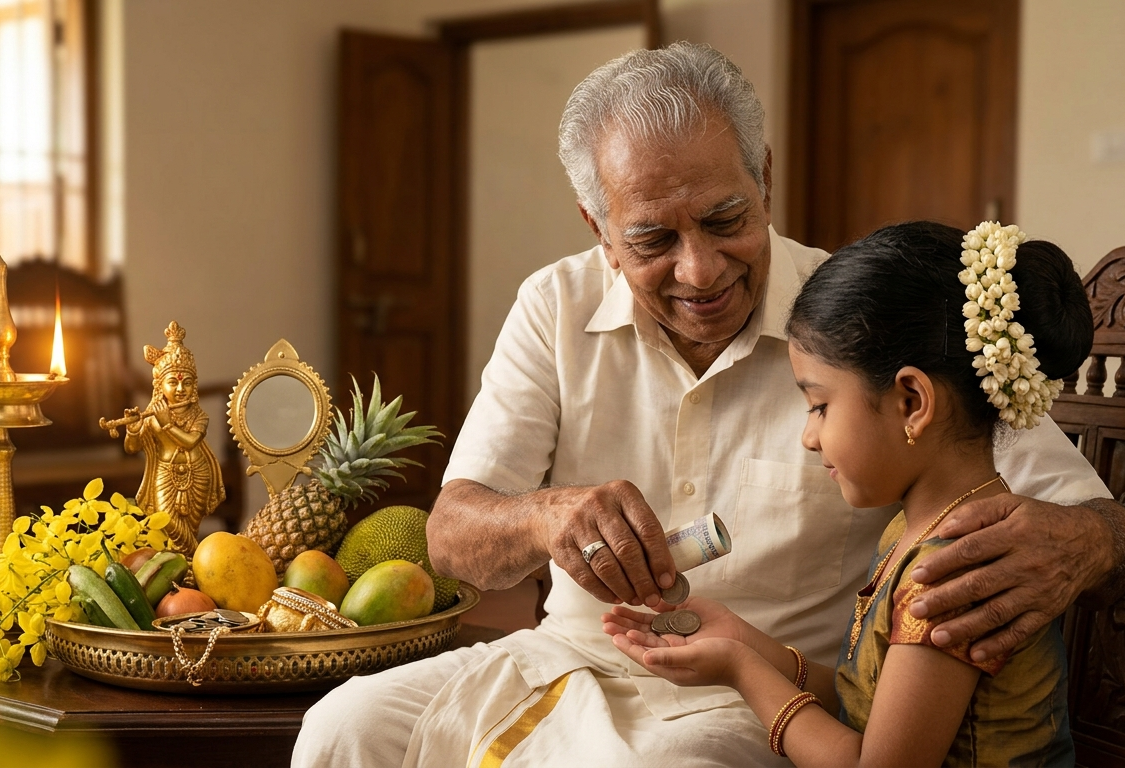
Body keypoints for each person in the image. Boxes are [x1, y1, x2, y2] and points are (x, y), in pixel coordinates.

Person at [293, 43, 1125, 766]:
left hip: (755, 694)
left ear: (764, 179)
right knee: (344, 727)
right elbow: (452, 537)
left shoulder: (857, 328)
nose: (700, 271)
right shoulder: (553, 305)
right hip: (566, 657)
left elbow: (1074, 508)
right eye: (652, 239)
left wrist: (1085, 539)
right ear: (598, 227)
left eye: (726, 218)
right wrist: (546, 518)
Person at [605, 220, 1087, 765]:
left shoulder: (957, 571)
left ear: (912, 402)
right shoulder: (916, 528)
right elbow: (866, 711)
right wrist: (742, 641)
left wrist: (740, 672)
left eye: (819, 406)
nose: (809, 438)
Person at [123, 320, 226, 556]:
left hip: (198, 472)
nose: (181, 389)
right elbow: (132, 448)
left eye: (187, 382)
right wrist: (132, 428)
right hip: (165, 472)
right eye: (173, 382)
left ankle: (189, 569)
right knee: (166, 522)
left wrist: (167, 423)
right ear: (159, 386)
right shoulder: (151, 415)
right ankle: (197, 561)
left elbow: (190, 442)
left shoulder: (199, 415)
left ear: (194, 387)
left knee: (192, 524)